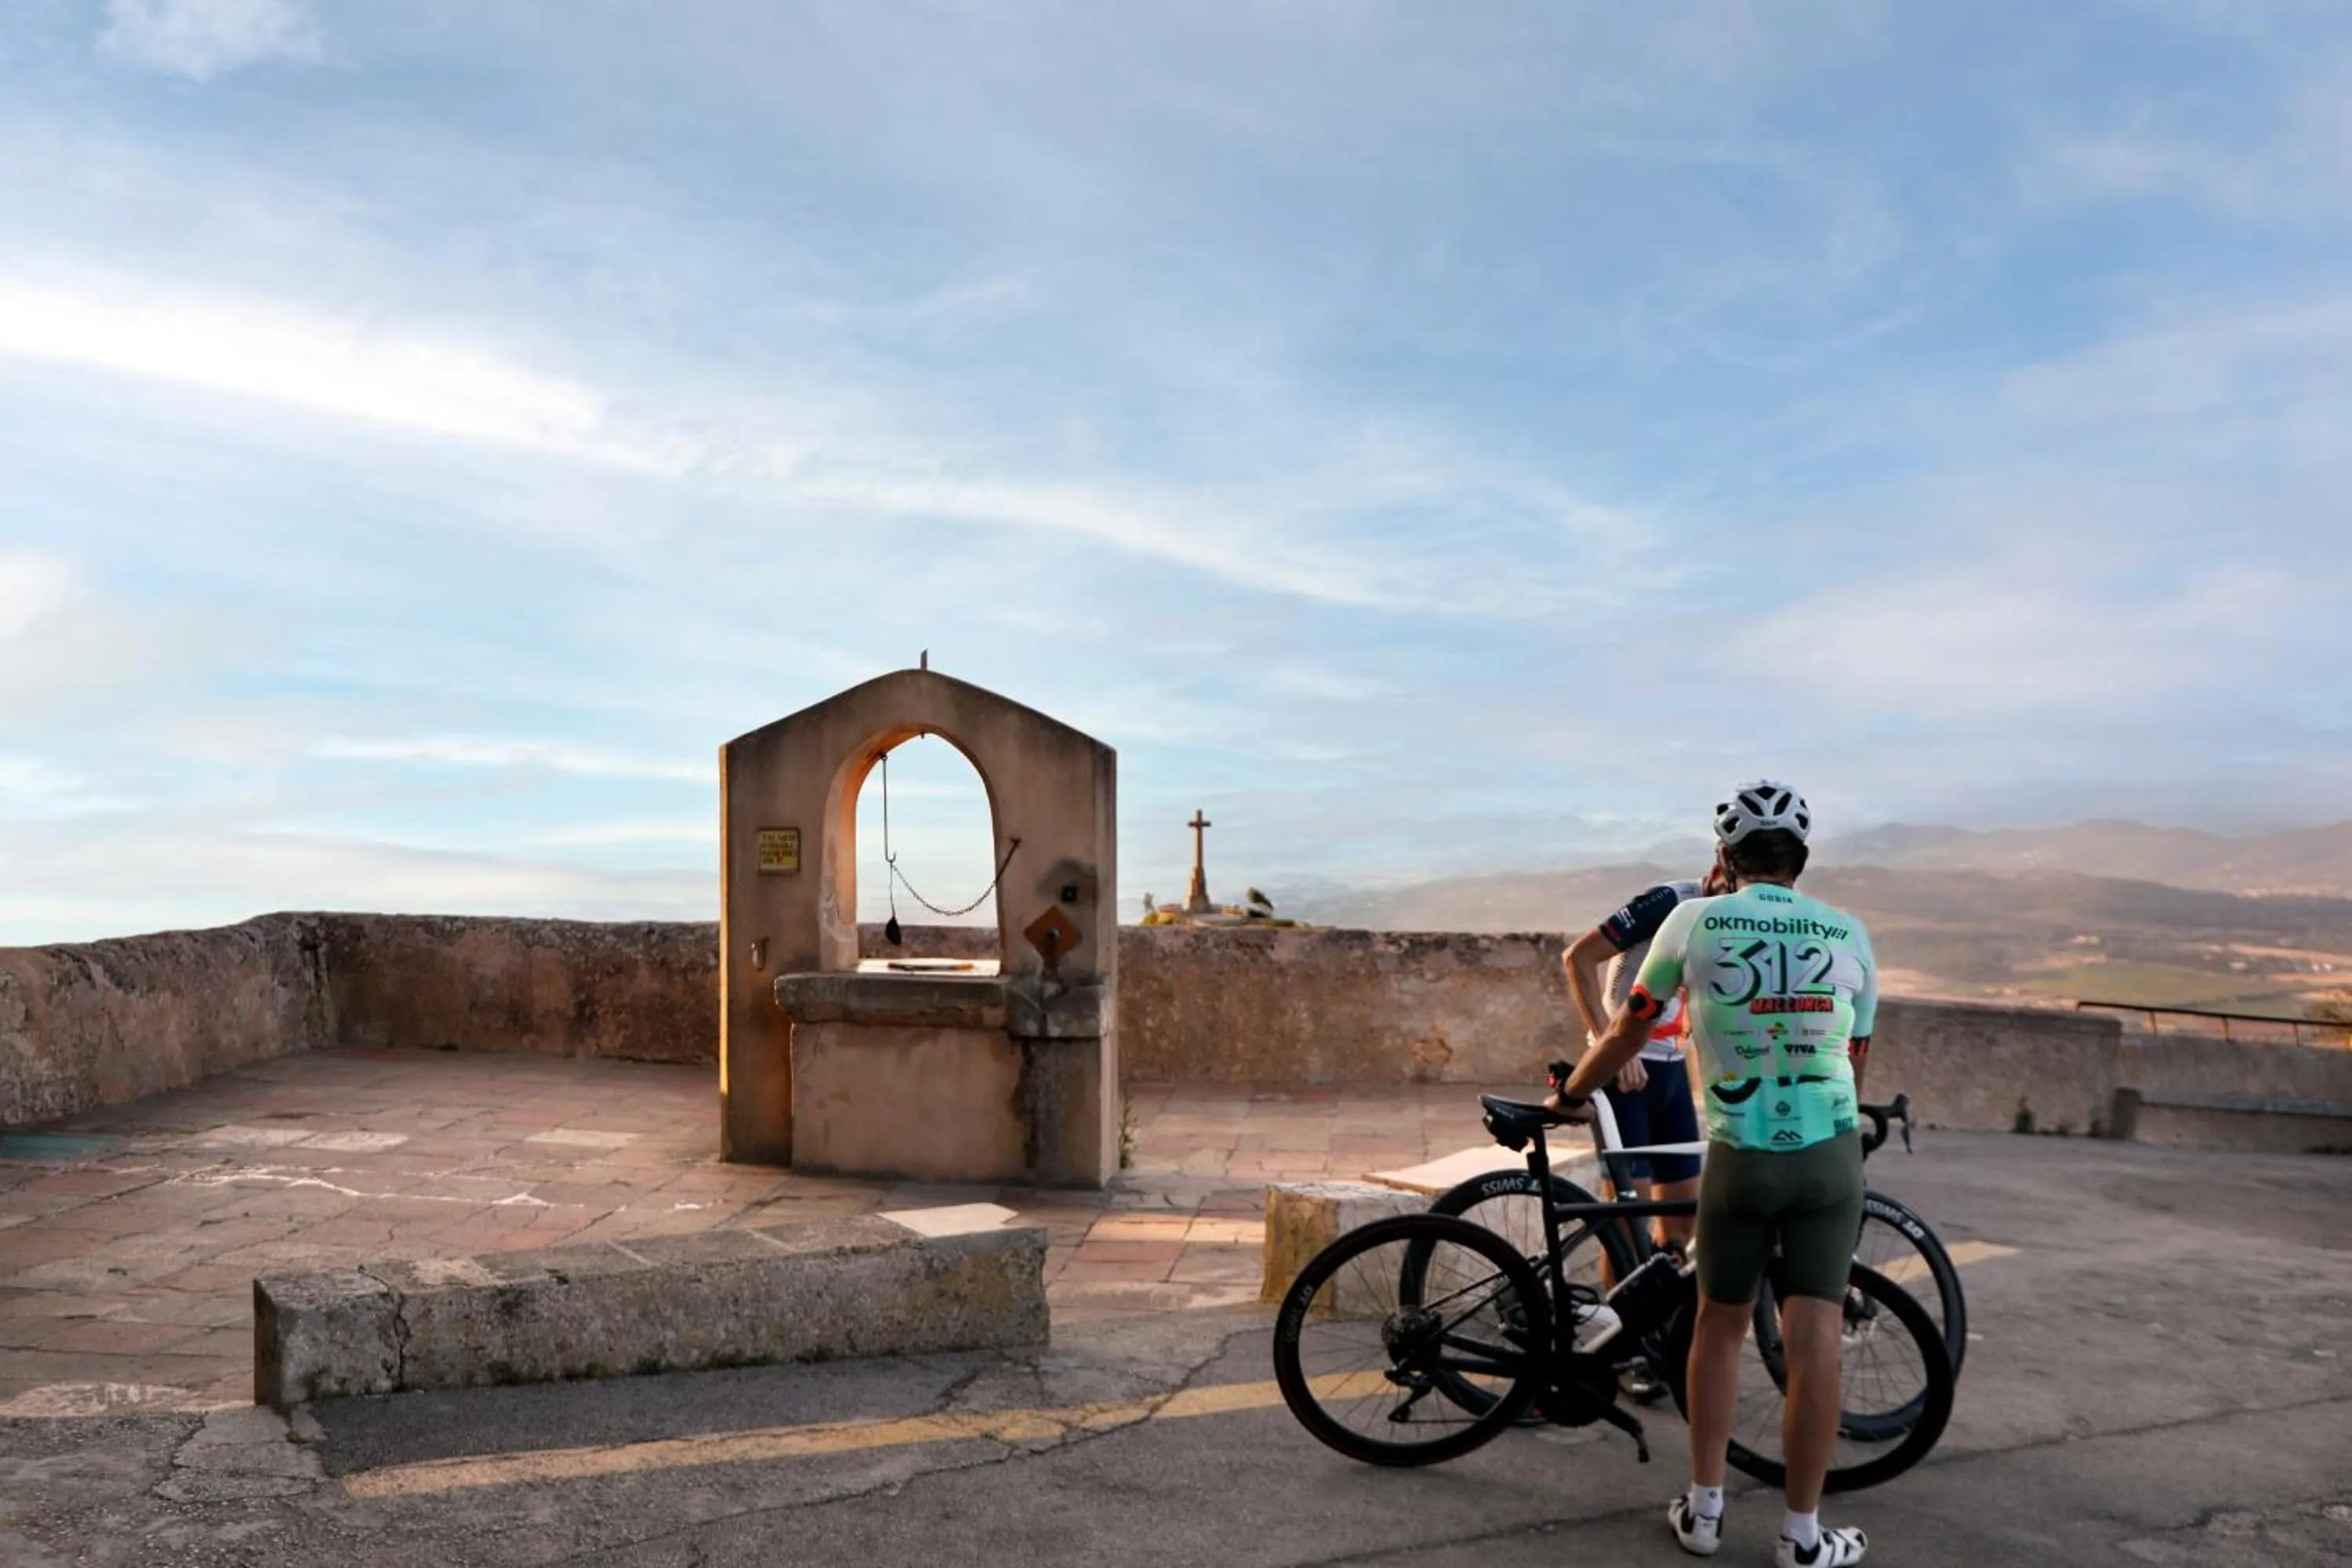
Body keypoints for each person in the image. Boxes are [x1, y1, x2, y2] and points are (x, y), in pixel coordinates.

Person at [1547, 781, 1878, 1568]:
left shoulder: (1694, 918)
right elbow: (1856, 1061)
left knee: (1719, 1324)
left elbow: (1631, 1021)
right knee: (1816, 1338)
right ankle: (1802, 1534)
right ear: (1801, 859)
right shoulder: (1849, 931)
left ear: (1725, 856)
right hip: (1829, 1154)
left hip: (1741, 1152)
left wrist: (1572, 1092)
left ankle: (1703, 1512)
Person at [1561, 863, 1730, 1251]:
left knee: (1681, 1222)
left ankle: (1658, 1310)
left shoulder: (1740, 917)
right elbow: (1578, 959)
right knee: (1627, 1225)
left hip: (1672, 1076)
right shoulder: (1669, 902)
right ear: (1720, 869)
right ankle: (1623, 1310)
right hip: (1625, 1074)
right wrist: (1612, 1048)